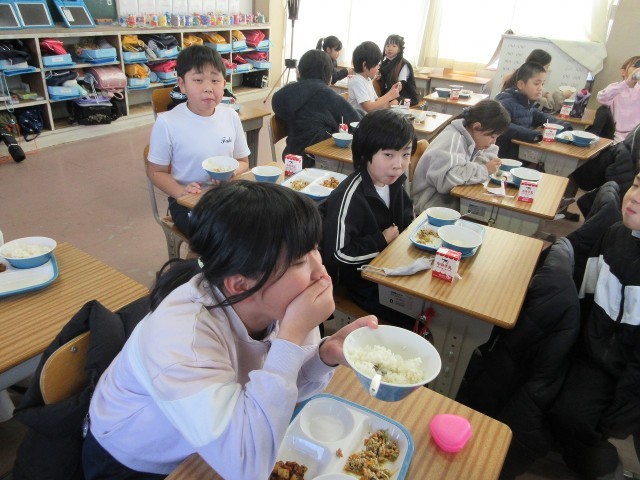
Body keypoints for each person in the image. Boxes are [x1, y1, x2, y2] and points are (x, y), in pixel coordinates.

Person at [82, 181, 377, 480]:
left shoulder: (279, 304)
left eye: (315, 248)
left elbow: (280, 391)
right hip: (135, 463)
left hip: (213, 443)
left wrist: (323, 357)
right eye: (300, 261)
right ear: (240, 284)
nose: (320, 271)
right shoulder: (182, 338)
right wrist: (290, 338)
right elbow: (247, 468)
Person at [548, 173, 640, 480]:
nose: (634, 197)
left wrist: (617, 420)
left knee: (580, 419)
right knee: (563, 409)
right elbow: (584, 297)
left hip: (629, 374)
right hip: (597, 357)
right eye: (636, 184)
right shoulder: (614, 235)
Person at [321, 109, 417, 329]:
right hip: (362, 283)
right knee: (416, 316)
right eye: (388, 155)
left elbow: (406, 220)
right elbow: (338, 254)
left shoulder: (394, 183)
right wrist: (380, 240)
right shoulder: (349, 196)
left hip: (390, 267)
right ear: (365, 154)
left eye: (406, 154)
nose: (399, 164)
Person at [146, 45, 250, 235]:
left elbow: (243, 162)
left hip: (225, 195)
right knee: (220, 234)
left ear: (224, 83)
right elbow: (155, 172)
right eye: (198, 80)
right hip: (186, 201)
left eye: (215, 80)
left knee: (260, 221)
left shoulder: (230, 117)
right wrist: (181, 192)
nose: (208, 88)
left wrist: (232, 172)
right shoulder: (167, 123)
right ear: (182, 84)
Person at [411, 100, 509, 212]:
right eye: (492, 136)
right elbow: (448, 180)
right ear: (476, 127)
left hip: (449, 200)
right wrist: (484, 170)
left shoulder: (474, 138)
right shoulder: (453, 140)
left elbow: (491, 153)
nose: (493, 142)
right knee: (486, 213)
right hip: (430, 205)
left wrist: (481, 168)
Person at [272, 49, 360, 168]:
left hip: (292, 157)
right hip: (316, 161)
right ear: (328, 75)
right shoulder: (325, 94)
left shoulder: (287, 93)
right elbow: (356, 123)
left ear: (299, 72)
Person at [495, 61, 572, 160]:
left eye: (542, 84)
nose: (540, 88)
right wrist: (533, 135)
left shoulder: (526, 102)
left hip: (519, 152)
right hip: (503, 156)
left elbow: (539, 116)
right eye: (536, 84)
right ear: (521, 85)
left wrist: (562, 125)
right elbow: (503, 125)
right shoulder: (506, 101)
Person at [348, 41, 401, 116]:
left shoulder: (367, 79)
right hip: (360, 121)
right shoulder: (357, 81)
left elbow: (376, 101)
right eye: (377, 64)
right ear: (365, 65)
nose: (379, 67)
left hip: (370, 118)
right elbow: (369, 107)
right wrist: (390, 95)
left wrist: (391, 95)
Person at [596, 55, 640, 143]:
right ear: (623, 72)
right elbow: (601, 98)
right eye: (636, 66)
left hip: (637, 135)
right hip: (618, 136)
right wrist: (627, 82)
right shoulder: (616, 88)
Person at [379, 34, 419, 106]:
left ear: (399, 49)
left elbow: (401, 84)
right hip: (391, 95)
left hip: (407, 98)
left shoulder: (404, 64)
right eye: (387, 46)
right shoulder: (384, 64)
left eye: (394, 46)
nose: (390, 48)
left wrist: (399, 85)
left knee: (392, 104)